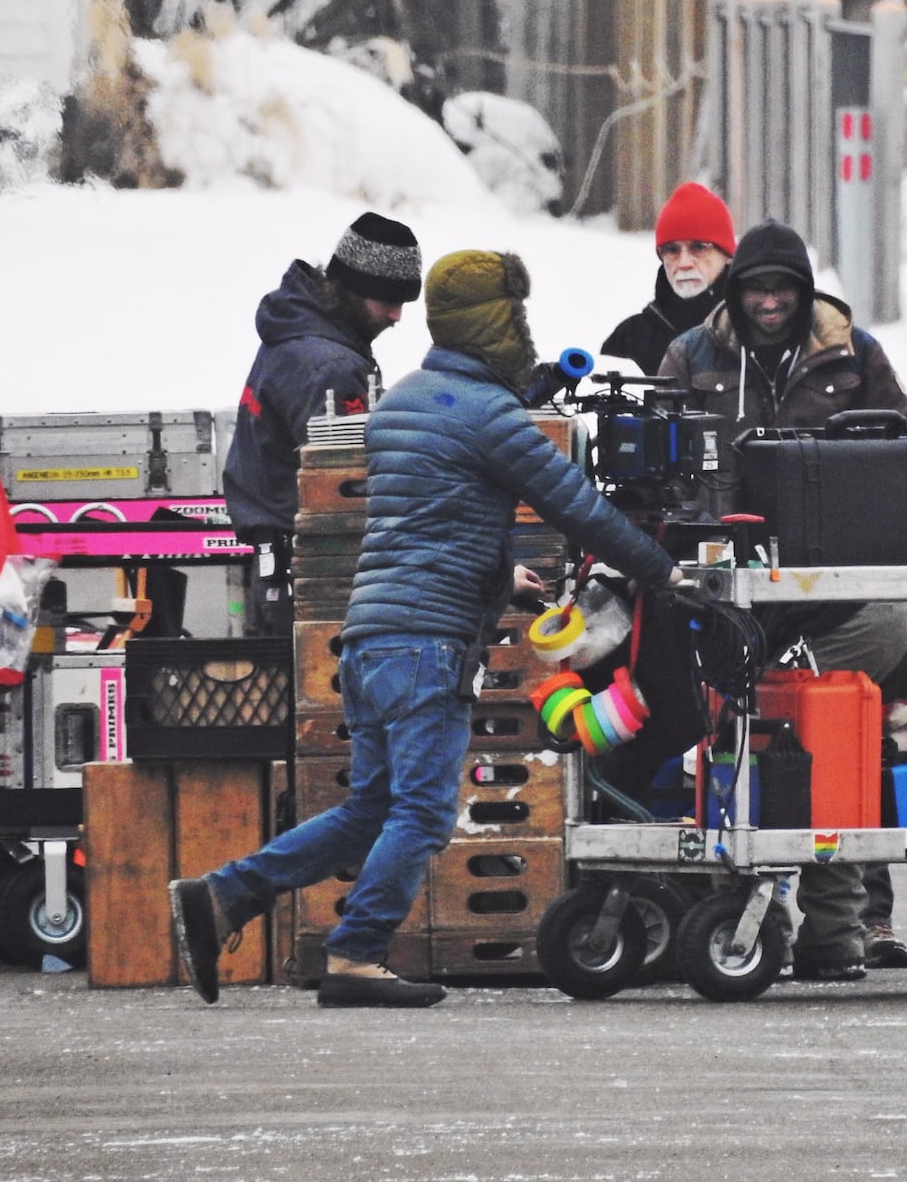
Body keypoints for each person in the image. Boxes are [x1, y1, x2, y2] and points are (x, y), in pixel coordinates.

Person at [172, 249, 683, 1009]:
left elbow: (429, 514)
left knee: (367, 811)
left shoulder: (406, 399)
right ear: (499, 324)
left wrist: (497, 574)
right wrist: (662, 572)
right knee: (421, 812)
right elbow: (576, 507)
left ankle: (221, 897)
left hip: (372, 634)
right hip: (427, 646)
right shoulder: (492, 415)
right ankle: (355, 953)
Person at [660, 218, 907, 979]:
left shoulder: (853, 353)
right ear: (737, 291)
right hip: (749, 593)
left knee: (815, 735)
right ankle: (844, 927)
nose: (769, 302)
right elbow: (664, 463)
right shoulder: (693, 356)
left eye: (782, 288)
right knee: (844, 737)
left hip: (852, 597)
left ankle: (821, 924)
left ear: (805, 291)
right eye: (756, 288)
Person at [222, 211, 422, 636]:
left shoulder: (297, 332)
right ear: (352, 291)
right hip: (312, 565)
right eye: (387, 301)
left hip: (277, 560)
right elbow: (352, 490)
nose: (397, 316)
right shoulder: (329, 367)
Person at [600, 181, 736, 375]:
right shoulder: (631, 338)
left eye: (698, 247)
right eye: (671, 250)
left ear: (727, 256)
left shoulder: (749, 334)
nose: (684, 263)